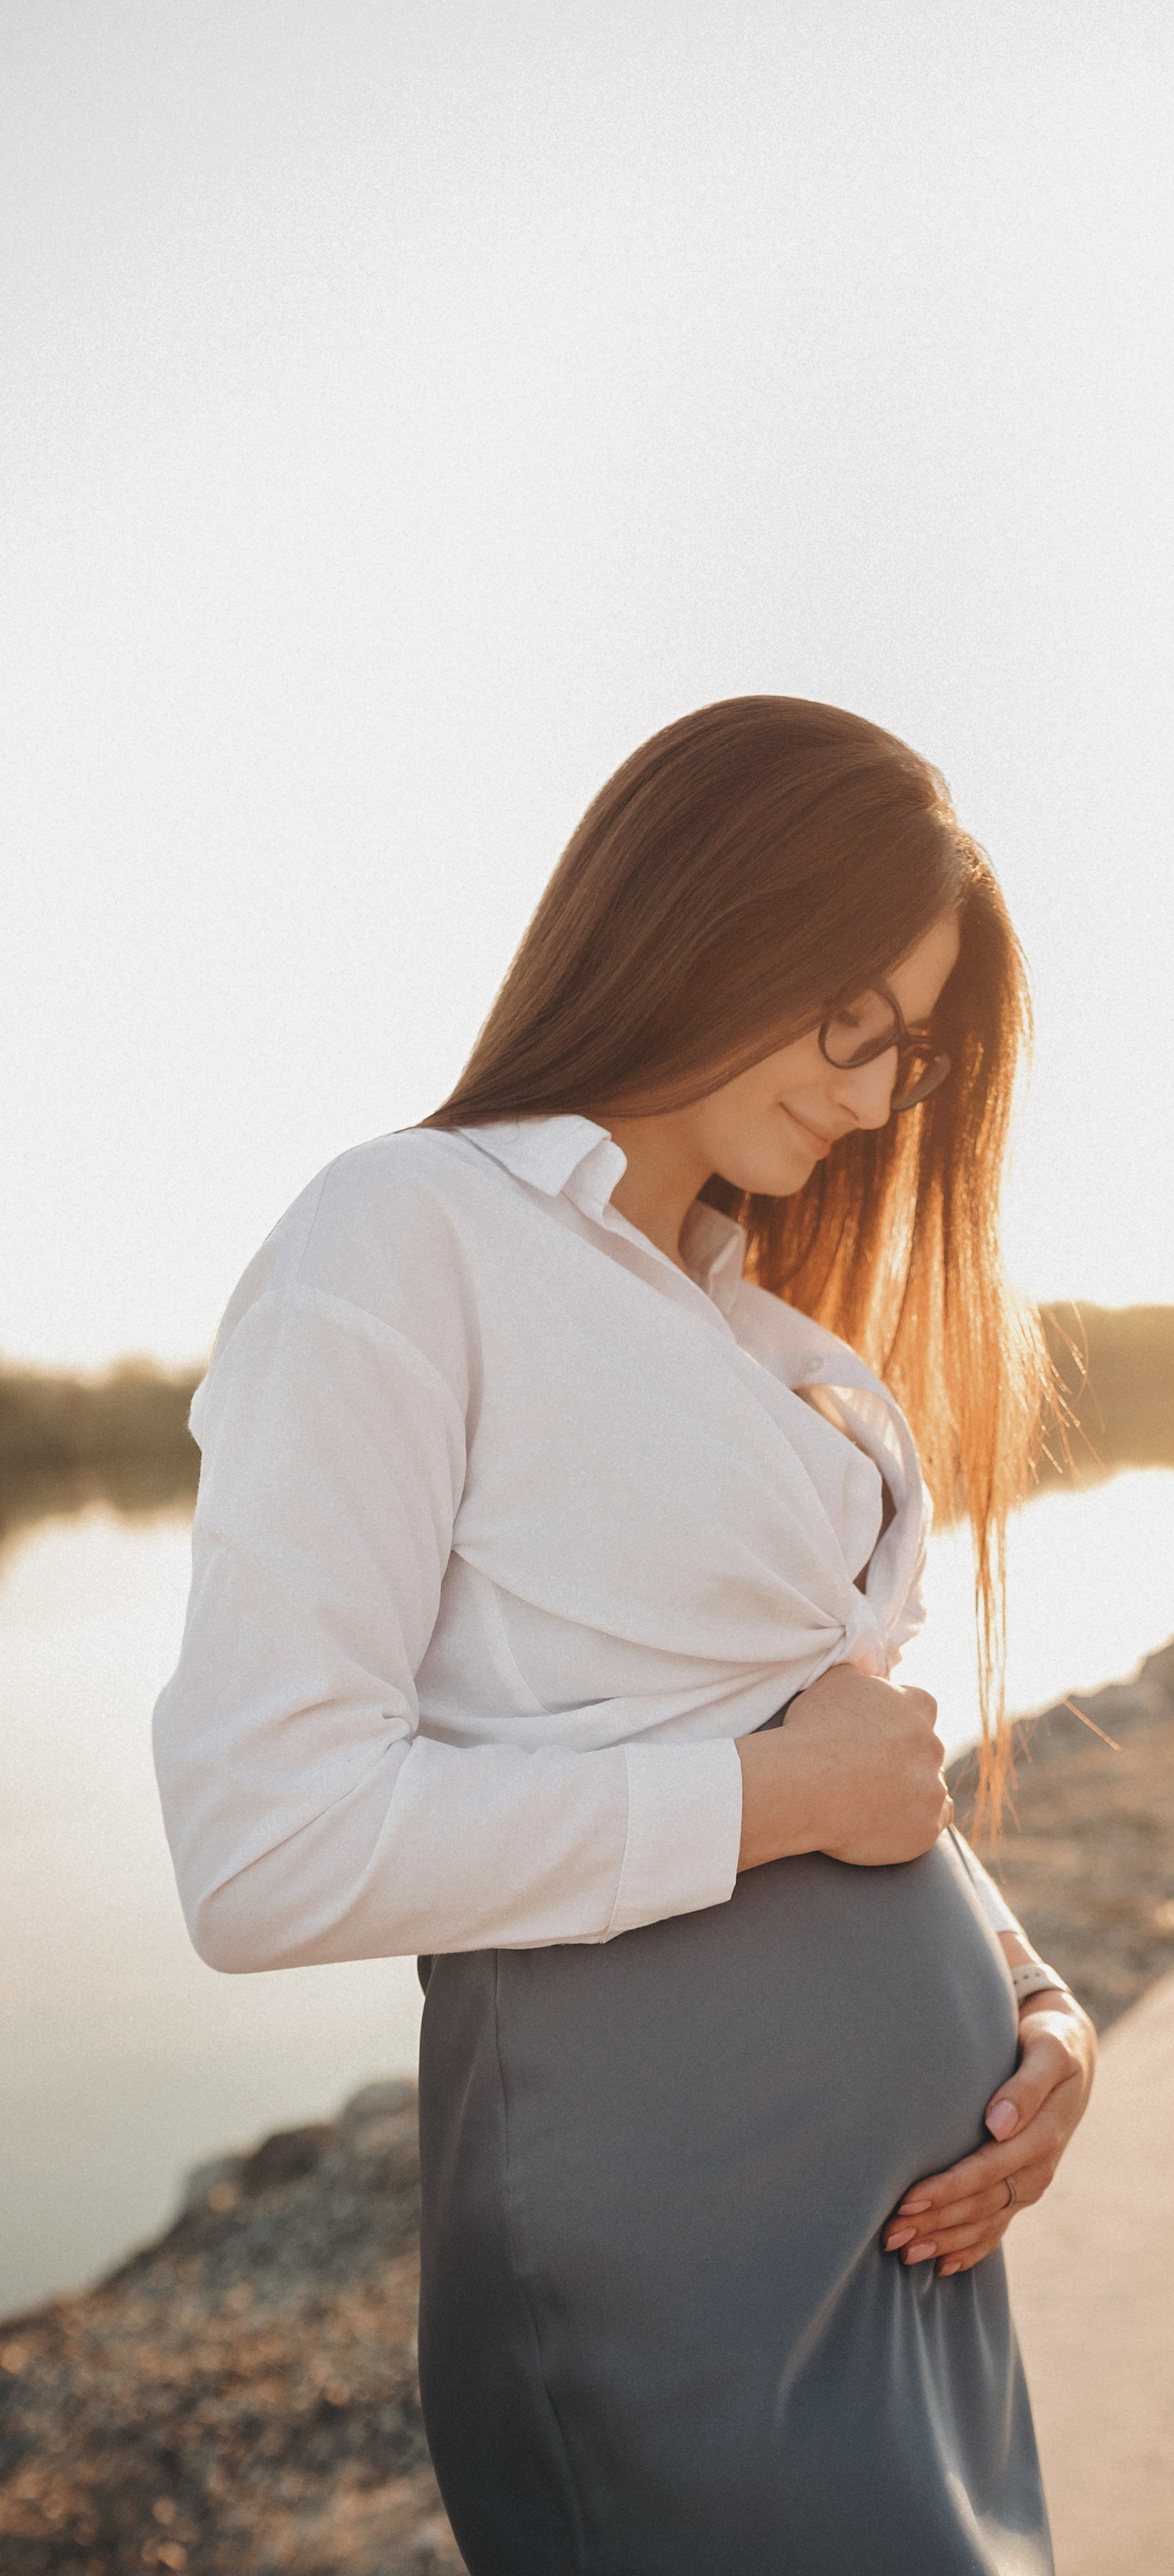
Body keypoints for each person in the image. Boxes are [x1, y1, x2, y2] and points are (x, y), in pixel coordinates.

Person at [154, 695, 1096, 2573]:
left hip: (911, 2241)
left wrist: (1027, 1991)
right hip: (667, 2216)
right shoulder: (404, 1235)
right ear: (707, 910)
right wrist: (779, 1799)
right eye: (855, 1022)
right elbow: (263, 1851)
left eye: (911, 1054)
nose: (877, 1099)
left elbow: (838, 1748)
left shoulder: (751, 1326)